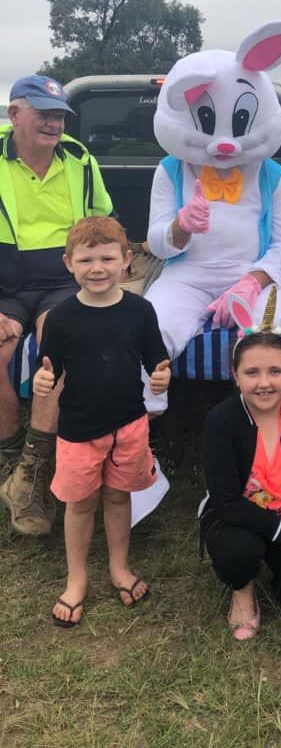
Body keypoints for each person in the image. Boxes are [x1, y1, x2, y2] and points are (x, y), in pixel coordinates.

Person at [32, 216, 170, 628]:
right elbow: (49, 369)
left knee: (118, 497)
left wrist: (161, 376)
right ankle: (77, 580)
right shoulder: (60, 318)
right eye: (86, 259)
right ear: (68, 263)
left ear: (126, 260)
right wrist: (42, 381)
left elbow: (157, 358)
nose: (97, 268)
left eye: (107, 259)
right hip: (78, 430)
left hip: (129, 424)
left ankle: (119, 567)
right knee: (79, 504)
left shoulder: (141, 310)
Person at [0, 76, 113, 536]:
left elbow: (102, 220)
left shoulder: (79, 158)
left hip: (62, 280)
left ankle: (31, 469)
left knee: (58, 348)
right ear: (15, 114)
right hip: (4, 283)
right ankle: (11, 465)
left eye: (59, 115)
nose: (54, 123)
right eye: (43, 113)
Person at [200, 288, 281, 640]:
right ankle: (242, 589)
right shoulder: (221, 421)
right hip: (237, 522)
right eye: (252, 372)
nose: (264, 383)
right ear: (235, 375)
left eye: (275, 371)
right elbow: (227, 502)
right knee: (238, 552)